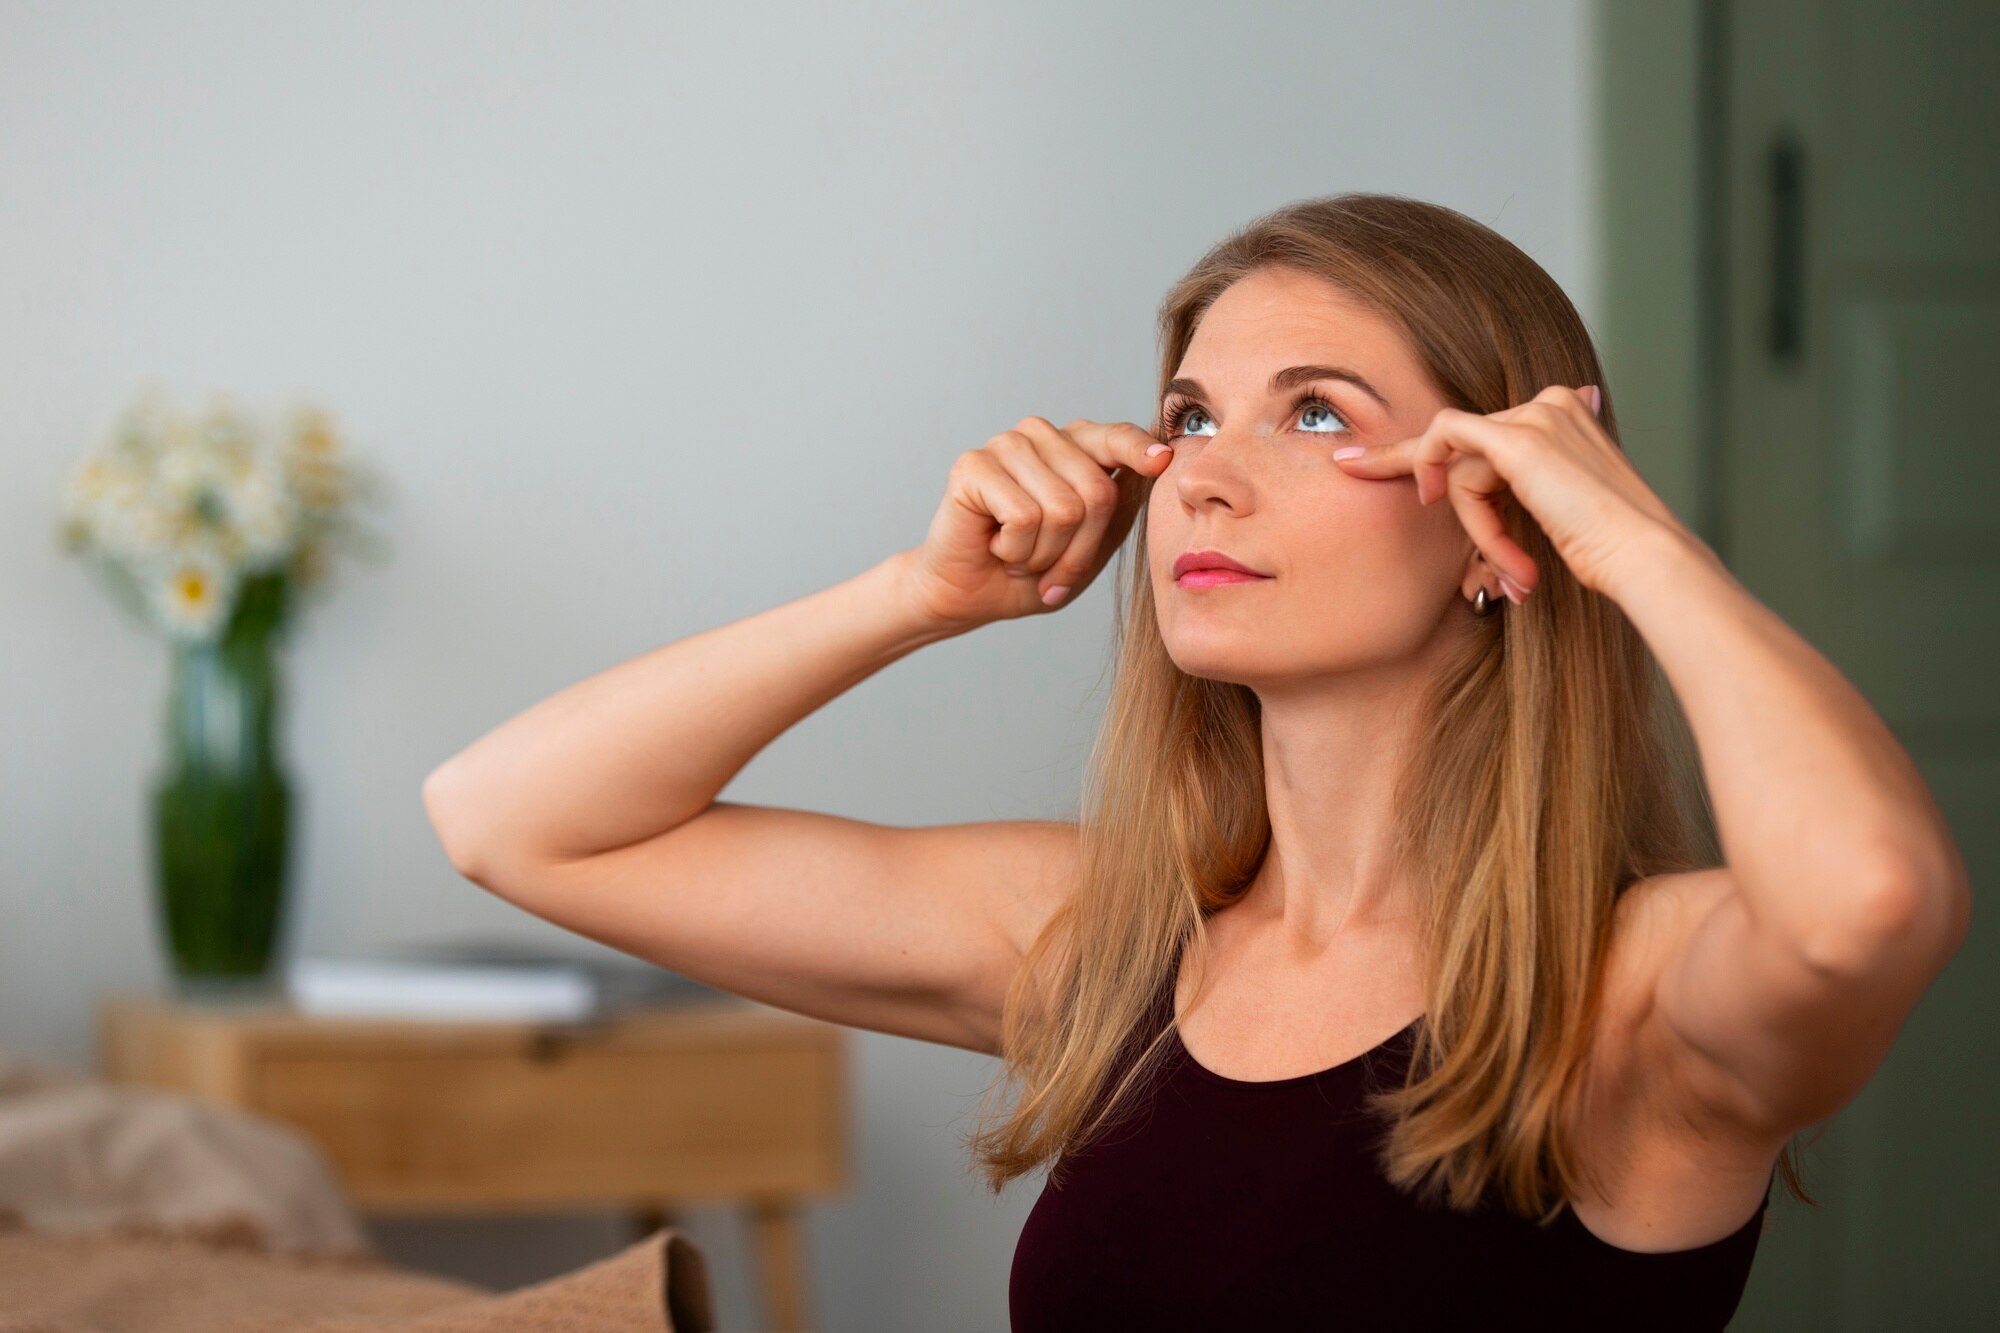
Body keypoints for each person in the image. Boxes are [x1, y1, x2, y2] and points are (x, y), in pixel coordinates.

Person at [421, 193, 1972, 1330]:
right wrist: (923, 591)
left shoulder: (1632, 997)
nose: (1205, 478)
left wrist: (1627, 535)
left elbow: (1871, 896)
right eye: (1188, 416)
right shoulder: (1104, 940)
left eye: (1311, 414)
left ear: (1498, 513)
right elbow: (510, 819)